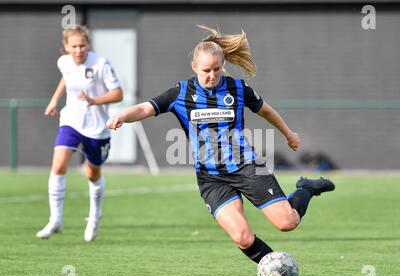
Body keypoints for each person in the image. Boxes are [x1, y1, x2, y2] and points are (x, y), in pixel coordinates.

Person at [107, 26, 334, 263]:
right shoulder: (181, 93)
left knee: (287, 223)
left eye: (217, 69)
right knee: (243, 237)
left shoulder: (237, 88)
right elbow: (145, 108)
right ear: (194, 67)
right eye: (206, 70)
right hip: (211, 178)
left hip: (247, 167)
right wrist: (122, 116)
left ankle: (306, 188)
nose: (212, 75)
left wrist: (288, 134)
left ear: (222, 65)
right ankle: (276, 267)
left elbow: (265, 110)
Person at [37, 25, 123, 241]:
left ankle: (94, 217)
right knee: (58, 166)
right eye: (74, 46)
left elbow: (118, 94)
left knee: (92, 174)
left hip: (97, 127)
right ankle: (55, 219)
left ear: (88, 45)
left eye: (82, 45)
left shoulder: (101, 64)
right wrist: (54, 100)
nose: (78, 50)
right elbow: (66, 77)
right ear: (66, 47)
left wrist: (95, 101)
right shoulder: (64, 62)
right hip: (71, 121)